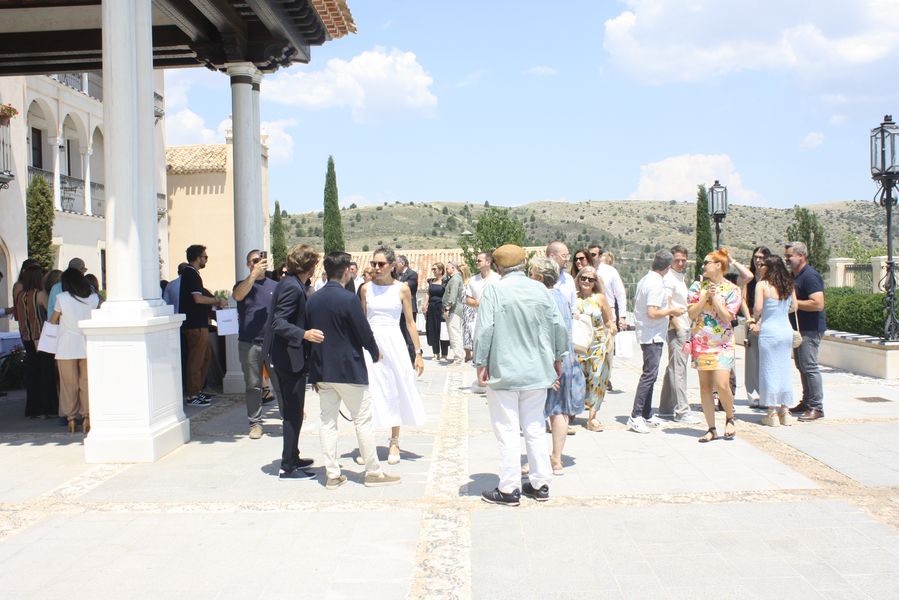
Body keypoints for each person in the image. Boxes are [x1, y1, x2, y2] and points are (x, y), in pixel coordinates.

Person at [475, 244, 567, 506]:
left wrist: (481, 362)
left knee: (507, 429)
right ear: (524, 264)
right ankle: (541, 484)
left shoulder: (494, 289)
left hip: (504, 369)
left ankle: (509, 488)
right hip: (537, 370)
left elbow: (485, 329)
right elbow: (558, 326)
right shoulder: (541, 290)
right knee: (535, 427)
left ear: (497, 267)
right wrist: (558, 357)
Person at [307, 251, 401, 489]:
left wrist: (313, 373)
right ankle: (373, 472)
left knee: (327, 422)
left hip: (323, 370)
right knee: (363, 421)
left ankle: (332, 474)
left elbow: (310, 337)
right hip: (349, 370)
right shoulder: (349, 299)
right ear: (347, 272)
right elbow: (363, 332)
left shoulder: (313, 299)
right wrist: (375, 352)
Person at [261, 244, 323, 480]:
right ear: (310, 265)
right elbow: (278, 322)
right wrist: (304, 334)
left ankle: (293, 456)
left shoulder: (293, 283)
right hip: (287, 359)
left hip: (290, 357)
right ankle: (287, 466)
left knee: (295, 412)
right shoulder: (291, 287)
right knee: (292, 414)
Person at [359, 247, 425, 465]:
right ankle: (367, 445)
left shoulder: (402, 289)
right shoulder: (366, 289)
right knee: (370, 392)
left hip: (394, 343)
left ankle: (394, 441)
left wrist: (418, 353)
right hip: (371, 344)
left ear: (392, 266)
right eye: (374, 264)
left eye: (381, 264)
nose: (376, 268)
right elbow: (362, 320)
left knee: (395, 390)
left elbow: (410, 322)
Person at [531, 258, 585, 476]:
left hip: (550, 362)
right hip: (567, 358)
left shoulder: (541, 299)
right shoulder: (562, 296)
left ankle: (538, 462)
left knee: (536, 411)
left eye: (532, 274)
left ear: (539, 277)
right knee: (559, 410)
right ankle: (557, 458)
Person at [687, 249, 742, 442]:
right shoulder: (697, 286)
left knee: (722, 384)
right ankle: (711, 428)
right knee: (705, 387)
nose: (703, 266)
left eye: (706, 262)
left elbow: (727, 317)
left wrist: (716, 299)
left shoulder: (732, 289)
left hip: (722, 344)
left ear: (718, 265)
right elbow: (691, 313)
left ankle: (729, 417)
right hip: (701, 342)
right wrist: (704, 298)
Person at [629, 250, 685, 434]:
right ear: (668, 267)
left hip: (650, 333)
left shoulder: (647, 279)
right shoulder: (655, 284)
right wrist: (672, 312)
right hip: (652, 334)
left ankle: (646, 413)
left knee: (651, 375)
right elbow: (652, 312)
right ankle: (636, 415)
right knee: (649, 375)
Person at [232, 249, 278, 440]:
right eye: (253, 261)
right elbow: (238, 296)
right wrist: (253, 275)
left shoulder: (275, 286)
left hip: (272, 343)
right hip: (249, 343)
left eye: (260, 260)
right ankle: (255, 424)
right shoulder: (242, 285)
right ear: (248, 264)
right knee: (253, 386)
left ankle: (289, 417)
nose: (257, 263)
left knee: (280, 383)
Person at [749, 255, 799, 427]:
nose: (759, 267)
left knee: (768, 369)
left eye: (763, 265)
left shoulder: (762, 285)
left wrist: (756, 320)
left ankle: (771, 412)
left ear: (769, 267)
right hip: (785, 330)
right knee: (784, 369)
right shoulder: (789, 284)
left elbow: (757, 308)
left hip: (769, 331)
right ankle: (785, 410)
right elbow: (794, 306)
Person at [50, 267, 100, 433]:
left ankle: (71, 418)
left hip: (66, 345)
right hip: (87, 342)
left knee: (68, 384)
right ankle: (87, 416)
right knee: (86, 382)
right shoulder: (93, 298)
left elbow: (53, 321)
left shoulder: (62, 298)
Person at [658, 245, 702, 424]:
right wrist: (677, 327)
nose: (681, 263)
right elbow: (667, 303)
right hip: (678, 328)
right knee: (679, 370)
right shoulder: (669, 278)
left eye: (684, 260)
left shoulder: (679, 277)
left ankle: (665, 408)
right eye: (677, 260)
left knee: (673, 367)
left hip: (683, 326)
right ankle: (682, 411)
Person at [180, 245, 227, 406]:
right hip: (195, 324)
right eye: (205, 257)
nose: (206, 260)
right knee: (196, 360)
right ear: (197, 257)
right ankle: (193, 394)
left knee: (205, 357)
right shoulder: (191, 274)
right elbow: (198, 299)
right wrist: (217, 300)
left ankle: (198, 390)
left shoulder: (192, 274)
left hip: (199, 323)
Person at [784, 241, 827, 421]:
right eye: (786, 256)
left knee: (809, 367)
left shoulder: (810, 276)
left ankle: (817, 407)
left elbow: (818, 303)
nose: (786, 259)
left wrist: (795, 303)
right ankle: (807, 401)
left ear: (801, 256)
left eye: (789, 256)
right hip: (799, 328)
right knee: (801, 366)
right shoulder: (794, 276)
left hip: (810, 329)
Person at [575, 265, 616, 432]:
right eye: (583, 278)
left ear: (595, 282)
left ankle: (592, 417)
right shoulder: (573, 297)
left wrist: (612, 330)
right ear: (578, 279)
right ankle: (573, 409)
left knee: (597, 378)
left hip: (598, 344)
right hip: (578, 344)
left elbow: (609, 320)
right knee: (578, 378)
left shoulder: (599, 298)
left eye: (590, 279)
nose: (586, 281)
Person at [15, 265, 57, 419]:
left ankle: (33, 409)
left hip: (26, 336)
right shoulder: (40, 294)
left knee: (33, 372)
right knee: (46, 372)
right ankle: (47, 408)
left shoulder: (20, 295)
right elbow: (51, 313)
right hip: (41, 337)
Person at [465, 252, 500, 391]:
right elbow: (467, 299)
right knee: (479, 349)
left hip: (495, 318)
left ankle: (494, 378)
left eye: (479, 260)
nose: (476, 262)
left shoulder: (498, 279)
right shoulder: (473, 280)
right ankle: (481, 382)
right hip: (478, 318)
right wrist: (477, 303)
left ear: (488, 262)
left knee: (494, 348)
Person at [743, 247, 771, 408]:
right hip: (751, 323)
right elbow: (744, 300)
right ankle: (754, 396)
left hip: (768, 323)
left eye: (761, 257)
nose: (758, 260)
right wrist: (750, 321)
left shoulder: (772, 279)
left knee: (767, 361)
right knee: (752, 361)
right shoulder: (750, 278)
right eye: (756, 257)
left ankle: (767, 394)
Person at [589, 243, 627, 331]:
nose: (590, 257)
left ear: (600, 256)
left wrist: (622, 317)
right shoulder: (585, 271)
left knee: (608, 338)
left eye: (593, 255)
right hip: (589, 312)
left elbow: (620, 294)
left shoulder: (610, 271)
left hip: (607, 312)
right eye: (588, 254)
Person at [424, 263, 449, 360]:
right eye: (432, 269)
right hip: (432, 308)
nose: (433, 271)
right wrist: (425, 305)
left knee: (442, 330)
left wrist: (447, 308)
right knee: (432, 329)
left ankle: (444, 354)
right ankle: (435, 352)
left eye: (435, 269)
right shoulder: (431, 281)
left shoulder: (445, 282)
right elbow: (428, 294)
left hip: (441, 307)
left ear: (441, 270)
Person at [443, 261, 465, 364]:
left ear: (453, 268)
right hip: (455, 309)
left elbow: (453, 295)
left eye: (447, 268)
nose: (446, 270)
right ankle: (459, 357)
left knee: (454, 334)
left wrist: (447, 308)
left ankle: (458, 359)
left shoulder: (455, 279)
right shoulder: (454, 278)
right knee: (455, 334)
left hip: (454, 310)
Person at [546, 241, 576, 315]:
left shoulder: (569, 279)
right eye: (564, 256)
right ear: (552, 256)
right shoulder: (539, 279)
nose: (567, 259)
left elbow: (573, 308)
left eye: (568, 256)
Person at [458, 262, 474, 361]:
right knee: (464, 330)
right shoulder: (460, 283)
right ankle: (467, 353)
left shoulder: (470, 283)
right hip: (462, 308)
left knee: (470, 329)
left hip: (470, 308)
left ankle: (473, 352)